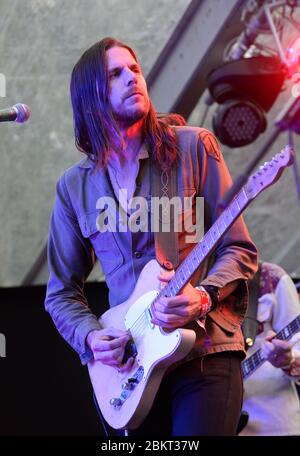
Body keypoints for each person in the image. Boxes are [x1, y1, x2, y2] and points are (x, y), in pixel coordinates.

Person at [45, 37, 258, 436]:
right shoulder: (74, 187)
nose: (132, 78)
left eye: (135, 69)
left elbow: (239, 249)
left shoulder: (193, 148)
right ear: (89, 98)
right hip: (130, 365)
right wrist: (91, 337)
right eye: (115, 74)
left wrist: (203, 295)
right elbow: (60, 292)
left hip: (204, 351)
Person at [240, 262, 300, 436]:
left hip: (273, 422)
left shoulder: (271, 277)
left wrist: (288, 360)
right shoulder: (192, 281)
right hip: (213, 418)